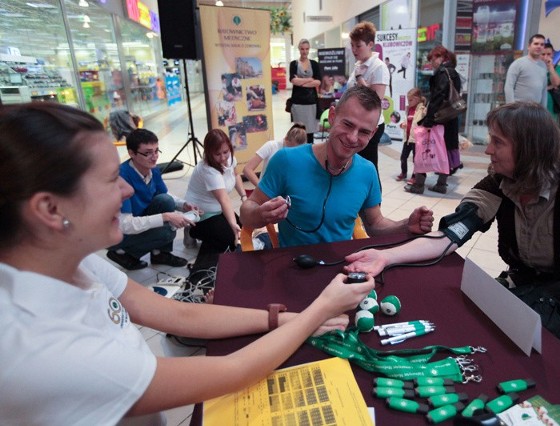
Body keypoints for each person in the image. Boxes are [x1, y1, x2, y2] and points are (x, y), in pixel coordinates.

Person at [0, 102, 375, 425]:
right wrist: (320, 308)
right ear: (50, 209)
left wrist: (289, 319)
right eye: (112, 178)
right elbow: (234, 371)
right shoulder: (38, 353)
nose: (128, 189)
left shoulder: (75, 264)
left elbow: (178, 316)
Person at [345, 102, 560, 362]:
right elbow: (449, 237)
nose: (488, 150)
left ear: (529, 149)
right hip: (535, 288)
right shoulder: (501, 181)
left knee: (542, 366)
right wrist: (386, 257)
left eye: (497, 142)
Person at [240, 86, 434, 248]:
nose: (352, 137)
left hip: (340, 274)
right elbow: (247, 210)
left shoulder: (367, 172)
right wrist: (260, 214)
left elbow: (375, 224)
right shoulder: (286, 160)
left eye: (364, 132)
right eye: (348, 125)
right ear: (332, 116)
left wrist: (406, 225)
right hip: (291, 268)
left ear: (374, 133)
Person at [107, 129, 194, 270]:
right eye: (147, 153)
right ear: (131, 153)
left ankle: (159, 254)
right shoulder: (121, 177)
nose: (154, 157)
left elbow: (164, 194)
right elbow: (125, 225)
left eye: (156, 151)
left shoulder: (152, 169)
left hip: (137, 218)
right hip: (117, 231)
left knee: (165, 200)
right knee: (167, 231)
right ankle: (122, 252)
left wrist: (183, 205)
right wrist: (165, 217)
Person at [405, 46, 462, 195]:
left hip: (439, 119)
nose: (432, 63)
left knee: (422, 147)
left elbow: (438, 97)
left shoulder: (443, 73)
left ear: (442, 58)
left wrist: (428, 120)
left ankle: (418, 185)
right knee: (444, 151)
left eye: (433, 59)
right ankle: (441, 184)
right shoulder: (454, 73)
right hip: (450, 118)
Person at [184, 129, 247, 253]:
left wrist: (244, 196)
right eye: (217, 154)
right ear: (209, 153)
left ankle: (209, 231)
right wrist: (233, 225)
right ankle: (192, 229)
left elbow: (236, 175)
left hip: (218, 209)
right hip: (202, 213)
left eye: (225, 152)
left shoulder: (230, 159)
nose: (223, 157)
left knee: (242, 231)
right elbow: (224, 199)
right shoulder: (208, 170)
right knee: (230, 239)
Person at [347, 21, 390, 185]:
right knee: (357, 165)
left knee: (369, 165)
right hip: (356, 122)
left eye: (358, 46)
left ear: (370, 44)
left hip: (370, 126)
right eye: (352, 45)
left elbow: (375, 100)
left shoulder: (378, 67)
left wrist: (359, 79)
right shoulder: (359, 65)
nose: (354, 50)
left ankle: (374, 204)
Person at [243, 123, 308, 187]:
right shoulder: (271, 146)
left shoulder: (302, 152)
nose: (294, 152)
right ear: (286, 138)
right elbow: (247, 169)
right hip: (268, 190)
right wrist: (261, 188)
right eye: (291, 148)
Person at [290, 39, 321, 144]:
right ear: (299, 49)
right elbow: (293, 80)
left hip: (311, 102)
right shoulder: (293, 64)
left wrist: (301, 81)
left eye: (307, 49)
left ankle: (309, 153)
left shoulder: (314, 64)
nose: (305, 51)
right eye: (302, 49)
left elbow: (318, 82)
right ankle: (299, 152)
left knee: (310, 133)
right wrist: (309, 79)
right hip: (298, 103)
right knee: (298, 132)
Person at [504, 34, 547, 105]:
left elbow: (544, 90)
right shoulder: (518, 63)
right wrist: (511, 107)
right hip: (519, 108)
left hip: (536, 110)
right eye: (536, 44)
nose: (539, 46)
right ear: (529, 46)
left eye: (542, 44)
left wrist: (543, 109)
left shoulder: (543, 65)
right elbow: (509, 86)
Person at [396, 87, 427, 183]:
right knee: (403, 157)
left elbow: (423, 123)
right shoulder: (408, 109)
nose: (408, 102)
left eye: (410, 100)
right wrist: (403, 124)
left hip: (417, 139)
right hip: (408, 138)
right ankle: (403, 172)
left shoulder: (422, 110)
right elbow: (407, 120)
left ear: (417, 99)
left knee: (415, 159)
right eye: (408, 99)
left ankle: (415, 176)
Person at [541, 42, 560, 123]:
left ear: (553, 54)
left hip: (550, 105)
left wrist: (551, 68)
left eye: (548, 54)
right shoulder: (534, 67)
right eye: (543, 54)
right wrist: (548, 87)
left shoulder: (558, 68)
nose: (545, 57)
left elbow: (556, 83)